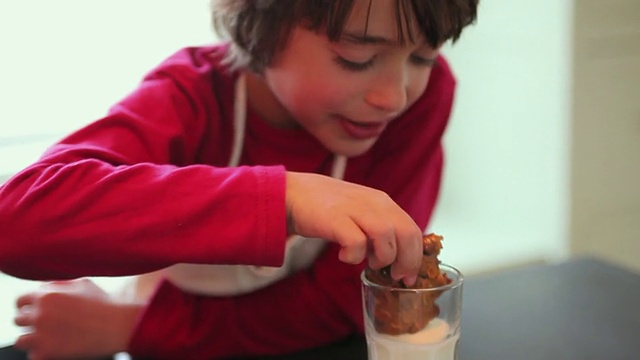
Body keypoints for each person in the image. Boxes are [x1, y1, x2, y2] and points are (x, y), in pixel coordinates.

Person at [0, 0, 478, 358]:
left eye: (424, 56)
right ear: (257, 24)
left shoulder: (424, 101)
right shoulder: (187, 102)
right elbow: (16, 222)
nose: (394, 95)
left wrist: (132, 328)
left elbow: (340, 303)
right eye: (355, 58)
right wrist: (285, 198)